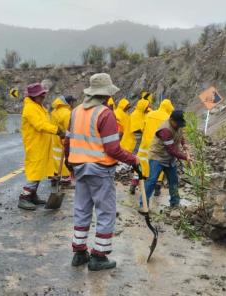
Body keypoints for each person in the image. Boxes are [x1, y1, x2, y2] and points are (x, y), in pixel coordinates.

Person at [65, 73, 139, 271]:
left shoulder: (76, 111)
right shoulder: (105, 114)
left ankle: (79, 253)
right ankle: (99, 256)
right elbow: (113, 149)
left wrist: (69, 164)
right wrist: (134, 159)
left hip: (79, 167)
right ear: (105, 95)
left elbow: (68, 141)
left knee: (81, 209)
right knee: (105, 212)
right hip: (100, 169)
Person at [19, 83, 65, 211]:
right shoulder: (30, 108)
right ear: (34, 96)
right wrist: (57, 130)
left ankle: (33, 195)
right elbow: (40, 125)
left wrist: (57, 131)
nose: (44, 96)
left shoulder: (38, 106)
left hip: (42, 144)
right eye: (41, 95)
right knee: (35, 170)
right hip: (35, 145)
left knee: (40, 170)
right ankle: (24, 197)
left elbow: (46, 122)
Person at [141, 110, 190, 208]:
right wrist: (185, 157)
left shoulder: (177, 126)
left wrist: (184, 144)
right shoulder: (165, 130)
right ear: (171, 120)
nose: (179, 126)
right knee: (152, 180)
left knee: (174, 180)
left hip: (170, 158)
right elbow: (171, 149)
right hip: (157, 157)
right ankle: (143, 205)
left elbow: (181, 135)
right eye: (178, 123)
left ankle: (175, 203)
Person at [137, 99, 175, 196]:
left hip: (145, 144)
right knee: (158, 167)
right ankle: (157, 189)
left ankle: (136, 184)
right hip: (158, 146)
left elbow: (142, 128)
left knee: (142, 164)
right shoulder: (168, 118)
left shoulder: (149, 114)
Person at [120, 98, 150, 194]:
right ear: (143, 106)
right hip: (132, 144)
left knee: (138, 165)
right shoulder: (136, 115)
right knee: (138, 164)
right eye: (147, 106)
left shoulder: (140, 114)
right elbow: (137, 131)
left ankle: (135, 184)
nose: (148, 108)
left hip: (135, 144)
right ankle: (135, 184)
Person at [51, 95, 77, 189]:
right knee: (66, 158)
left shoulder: (55, 111)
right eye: (73, 102)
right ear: (69, 103)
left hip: (55, 138)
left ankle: (55, 177)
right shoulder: (67, 113)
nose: (74, 104)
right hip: (63, 139)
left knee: (56, 159)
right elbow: (69, 128)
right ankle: (66, 179)